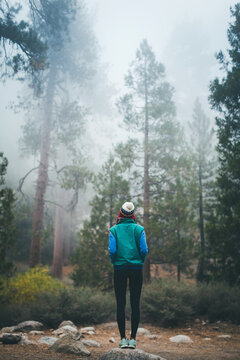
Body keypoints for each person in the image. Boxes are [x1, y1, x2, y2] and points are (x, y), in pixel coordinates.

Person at [108, 202, 148, 349]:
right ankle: (133, 339)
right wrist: (139, 261)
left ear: (120, 214)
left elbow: (112, 251)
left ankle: (122, 339)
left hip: (119, 269)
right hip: (136, 269)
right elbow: (144, 250)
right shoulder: (139, 229)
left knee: (120, 304)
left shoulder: (114, 230)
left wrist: (115, 262)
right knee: (135, 303)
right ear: (132, 215)